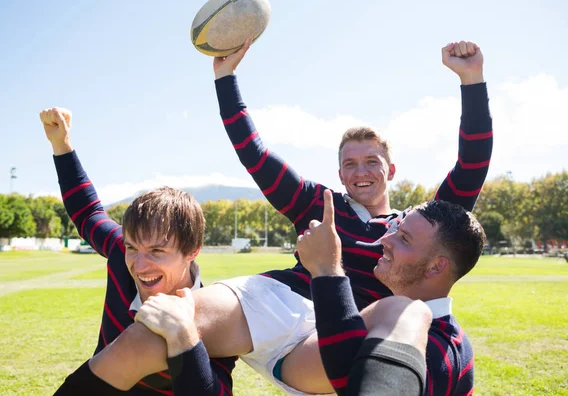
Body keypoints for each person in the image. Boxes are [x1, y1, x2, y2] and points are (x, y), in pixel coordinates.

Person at [93, 40, 492, 395]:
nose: (361, 172)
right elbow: (257, 157)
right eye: (349, 164)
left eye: (372, 161)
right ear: (339, 174)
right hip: (276, 303)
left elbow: (470, 167)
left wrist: (471, 80)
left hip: (334, 339)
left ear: (390, 170)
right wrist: (225, 78)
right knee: (154, 334)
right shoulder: (318, 202)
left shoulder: (416, 231)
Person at [39, 108, 236, 395]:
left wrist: (185, 339)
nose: (139, 265)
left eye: (157, 251)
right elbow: (88, 213)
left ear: (192, 250)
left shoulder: (215, 315)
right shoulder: (122, 253)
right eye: (133, 247)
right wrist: (61, 145)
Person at [296, 189, 486, 395]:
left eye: (404, 239)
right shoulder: (409, 327)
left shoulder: (440, 352)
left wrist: (327, 271)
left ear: (436, 267)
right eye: (395, 228)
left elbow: (357, 385)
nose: (385, 240)